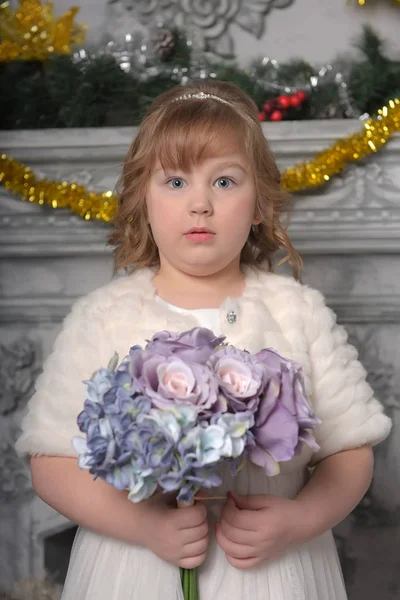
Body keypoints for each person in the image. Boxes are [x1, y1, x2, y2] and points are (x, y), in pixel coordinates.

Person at [16, 80, 392, 600]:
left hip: (273, 571)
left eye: (224, 182)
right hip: (137, 567)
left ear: (259, 201)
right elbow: (51, 464)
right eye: (174, 182)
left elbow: (349, 452)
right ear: (141, 199)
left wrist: (301, 517)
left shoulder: (297, 311)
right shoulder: (102, 317)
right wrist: (145, 528)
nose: (200, 204)